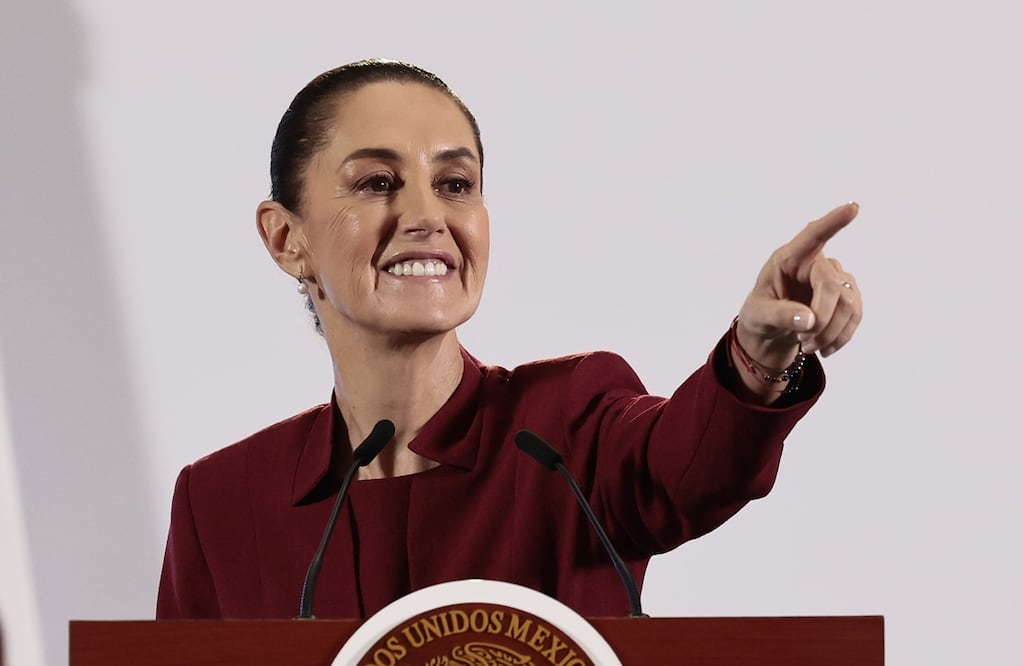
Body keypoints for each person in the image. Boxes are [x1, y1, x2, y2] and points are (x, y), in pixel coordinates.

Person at [156, 59, 863, 620]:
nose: (427, 215)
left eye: (455, 183)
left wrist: (757, 360)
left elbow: (689, 469)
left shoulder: (565, 427)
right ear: (287, 238)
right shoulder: (221, 502)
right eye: (376, 182)